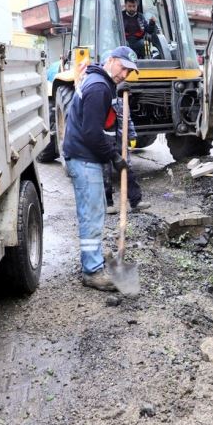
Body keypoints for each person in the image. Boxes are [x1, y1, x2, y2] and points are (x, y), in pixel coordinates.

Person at [63, 46, 138, 291]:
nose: (124, 74)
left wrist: (116, 94)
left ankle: (92, 259)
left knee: (94, 213)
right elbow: (91, 132)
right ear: (111, 60)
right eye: (123, 67)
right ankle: (92, 271)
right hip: (84, 158)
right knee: (92, 215)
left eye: (129, 71)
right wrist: (114, 157)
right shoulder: (98, 87)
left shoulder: (100, 82)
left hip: (85, 156)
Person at [103, 97, 151, 214]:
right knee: (105, 172)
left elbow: (127, 119)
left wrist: (132, 135)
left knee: (127, 168)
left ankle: (136, 201)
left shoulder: (121, 101)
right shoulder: (100, 98)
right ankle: (107, 203)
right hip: (104, 141)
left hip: (120, 141)